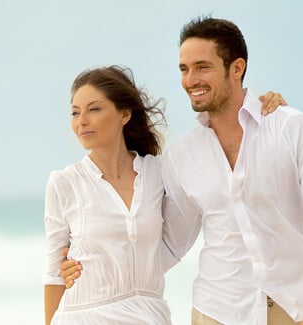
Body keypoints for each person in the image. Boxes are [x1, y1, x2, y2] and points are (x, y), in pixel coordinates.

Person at [60, 16, 302, 325]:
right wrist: (88, 262)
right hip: (218, 311)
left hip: (292, 307)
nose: (190, 80)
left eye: (202, 67)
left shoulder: (289, 130)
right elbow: (168, 245)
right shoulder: (182, 155)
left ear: (236, 68)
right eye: (184, 69)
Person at [43, 65, 178, 325]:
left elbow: (177, 239)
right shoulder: (64, 183)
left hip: (149, 316)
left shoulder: (158, 173)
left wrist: (269, 111)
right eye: (75, 112)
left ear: (124, 114)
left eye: (94, 109)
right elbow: (53, 272)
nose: (81, 120)